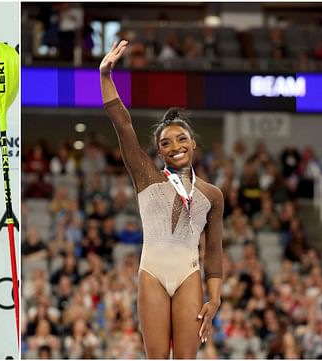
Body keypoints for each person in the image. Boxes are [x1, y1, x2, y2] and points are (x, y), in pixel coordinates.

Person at [99, 40, 223, 358]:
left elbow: (214, 252)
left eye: (182, 139)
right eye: (166, 143)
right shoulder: (146, 177)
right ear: (159, 151)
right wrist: (105, 76)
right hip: (152, 273)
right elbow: (123, 125)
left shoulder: (212, 195)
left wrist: (216, 297)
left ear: (193, 144)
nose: (175, 146)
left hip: (188, 276)